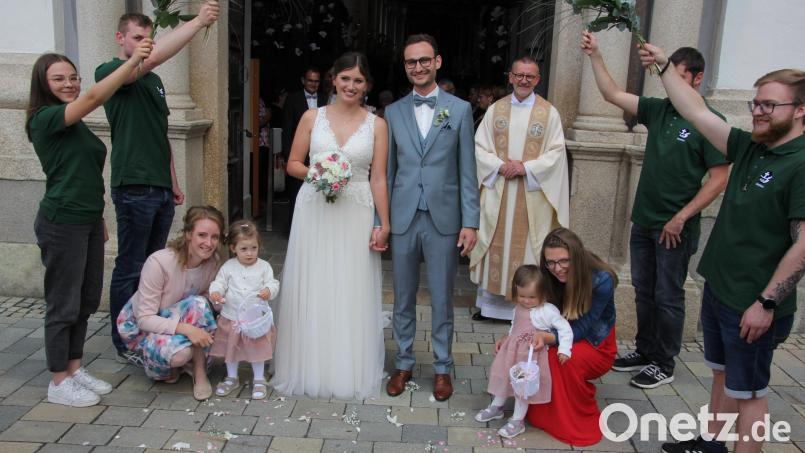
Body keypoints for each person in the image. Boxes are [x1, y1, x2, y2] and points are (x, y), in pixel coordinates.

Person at [639, 45, 805, 453]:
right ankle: (711, 443)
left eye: (769, 105)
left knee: (750, 394)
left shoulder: (800, 164)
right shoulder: (750, 146)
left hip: (754, 303)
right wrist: (664, 66)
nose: (758, 111)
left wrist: (766, 303)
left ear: (801, 110)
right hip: (720, 289)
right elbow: (696, 112)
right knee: (722, 374)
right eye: (756, 103)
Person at [580, 32, 730, 390]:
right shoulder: (660, 109)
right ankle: (645, 350)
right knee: (643, 290)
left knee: (668, 295)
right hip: (644, 220)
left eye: (678, 76)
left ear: (697, 78)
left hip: (675, 227)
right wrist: (596, 54)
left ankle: (664, 362)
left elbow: (720, 177)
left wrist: (682, 216)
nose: (670, 83)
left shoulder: (709, 120)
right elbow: (612, 94)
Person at [26, 41, 153, 407]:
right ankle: (58, 380)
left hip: (87, 221)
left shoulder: (74, 122)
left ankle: (74, 367)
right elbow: (96, 96)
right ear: (42, 83)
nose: (69, 83)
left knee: (85, 300)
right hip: (61, 221)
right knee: (63, 303)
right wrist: (133, 60)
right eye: (58, 79)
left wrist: (99, 219)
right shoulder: (45, 118)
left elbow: (83, 174)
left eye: (73, 77)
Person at [97, 3, 221, 366]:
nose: (144, 45)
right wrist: (198, 22)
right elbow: (147, 61)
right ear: (120, 38)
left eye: (149, 39)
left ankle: (151, 331)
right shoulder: (111, 70)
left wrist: (173, 181)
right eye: (137, 38)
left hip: (160, 188)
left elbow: (160, 134)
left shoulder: (155, 82)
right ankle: (125, 342)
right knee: (130, 266)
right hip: (133, 185)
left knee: (155, 267)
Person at [270, 52, 390, 400]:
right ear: (333, 79)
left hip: (357, 209)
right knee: (315, 280)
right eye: (345, 78)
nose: (351, 86)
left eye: (358, 80)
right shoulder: (312, 117)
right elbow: (292, 163)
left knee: (350, 283)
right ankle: (308, 363)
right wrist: (319, 174)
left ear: (367, 86)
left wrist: (384, 223)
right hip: (315, 208)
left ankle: (346, 365)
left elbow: (379, 178)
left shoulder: (377, 125)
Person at [384, 34, 480, 402]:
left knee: (442, 297)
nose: (418, 67)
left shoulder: (460, 110)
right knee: (402, 298)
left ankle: (442, 368)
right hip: (404, 216)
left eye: (424, 60)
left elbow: (467, 170)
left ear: (437, 62)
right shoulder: (392, 113)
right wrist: (381, 221)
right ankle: (403, 362)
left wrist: (470, 222)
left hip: (444, 218)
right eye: (411, 62)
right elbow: (387, 173)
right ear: (405, 67)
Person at [470, 56, 570, 323]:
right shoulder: (496, 110)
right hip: (500, 190)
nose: (524, 80)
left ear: (538, 80)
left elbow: (556, 153)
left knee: (528, 249)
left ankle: (528, 309)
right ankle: (491, 308)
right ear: (511, 77)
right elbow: (479, 147)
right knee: (495, 245)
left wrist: (526, 168)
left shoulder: (548, 113)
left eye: (530, 76)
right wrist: (500, 166)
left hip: (531, 194)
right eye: (519, 75)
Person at [117, 206, 225, 401]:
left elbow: (209, 300)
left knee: (201, 304)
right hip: (146, 329)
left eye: (215, 237)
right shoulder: (159, 262)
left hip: (183, 318)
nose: (208, 243)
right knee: (179, 355)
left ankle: (199, 372)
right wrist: (188, 330)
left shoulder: (213, 262)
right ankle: (163, 362)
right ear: (188, 234)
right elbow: (145, 319)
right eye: (202, 235)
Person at [525, 227, 618, 446]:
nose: (557, 268)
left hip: (595, 343)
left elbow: (582, 328)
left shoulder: (602, 279)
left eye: (563, 261)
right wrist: (513, 335)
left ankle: (572, 415)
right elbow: (533, 311)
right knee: (532, 351)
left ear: (575, 255)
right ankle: (545, 413)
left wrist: (549, 338)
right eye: (551, 262)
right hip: (562, 332)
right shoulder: (547, 275)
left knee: (561, 359)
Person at [475, 265, 572, 439]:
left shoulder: (547, 311)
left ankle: (517, 420)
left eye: (532, 297)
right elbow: (515, 325)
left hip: (528, 358)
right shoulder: (518, 307)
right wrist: (507, 337)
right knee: (504, 377)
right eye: (522, 296)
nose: (526, 301)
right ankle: (497, 406)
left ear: (543, 294)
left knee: (522, 386)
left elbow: (565, 328)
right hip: (511, 352)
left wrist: (565, 349)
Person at [209, 220, 279, 400]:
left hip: (255, 319)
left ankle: (259, 378)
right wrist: (216, 292)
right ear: (233, 248)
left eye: (254, 248)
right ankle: (232, 377)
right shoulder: (228, 267)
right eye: (244, 249)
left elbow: (272, 283)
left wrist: (268, 290)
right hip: (232, 317)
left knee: (257, 349)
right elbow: (219, 282)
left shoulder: (264, 267)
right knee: (231, 348)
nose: (250, 253)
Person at [281, 67, 327, 232]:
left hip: (320, 154)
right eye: (310, 80)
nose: (313, 84)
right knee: (296, 194)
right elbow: (287, 130)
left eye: (316, 81)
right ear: (303, 81)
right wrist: (287, 157)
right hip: (298, 155)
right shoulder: (292, 99)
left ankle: (315, 230)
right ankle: (293, 230)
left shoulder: (325, 99)